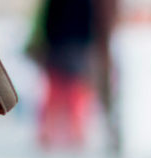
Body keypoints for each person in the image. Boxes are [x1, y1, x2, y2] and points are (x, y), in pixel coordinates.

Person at [28, 0, 99, 149]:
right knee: (73, 95)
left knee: (58, 95)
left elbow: (48, 21)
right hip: (75, 48)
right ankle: (74, 134)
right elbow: (91, 24)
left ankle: (51, 133)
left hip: (59, 47)